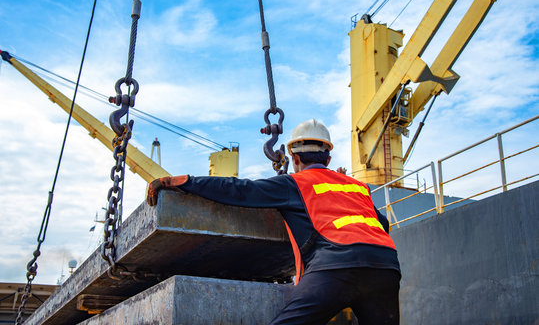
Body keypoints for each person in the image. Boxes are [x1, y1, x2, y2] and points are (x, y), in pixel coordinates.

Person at [147, 119, 401, 325]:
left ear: (295, 159)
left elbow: (239, 190)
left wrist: (185, 182)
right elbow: (382, 223)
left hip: (335, 266)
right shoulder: (357, 187)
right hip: (386, 267)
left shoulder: (294, 183)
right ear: (328, 160)